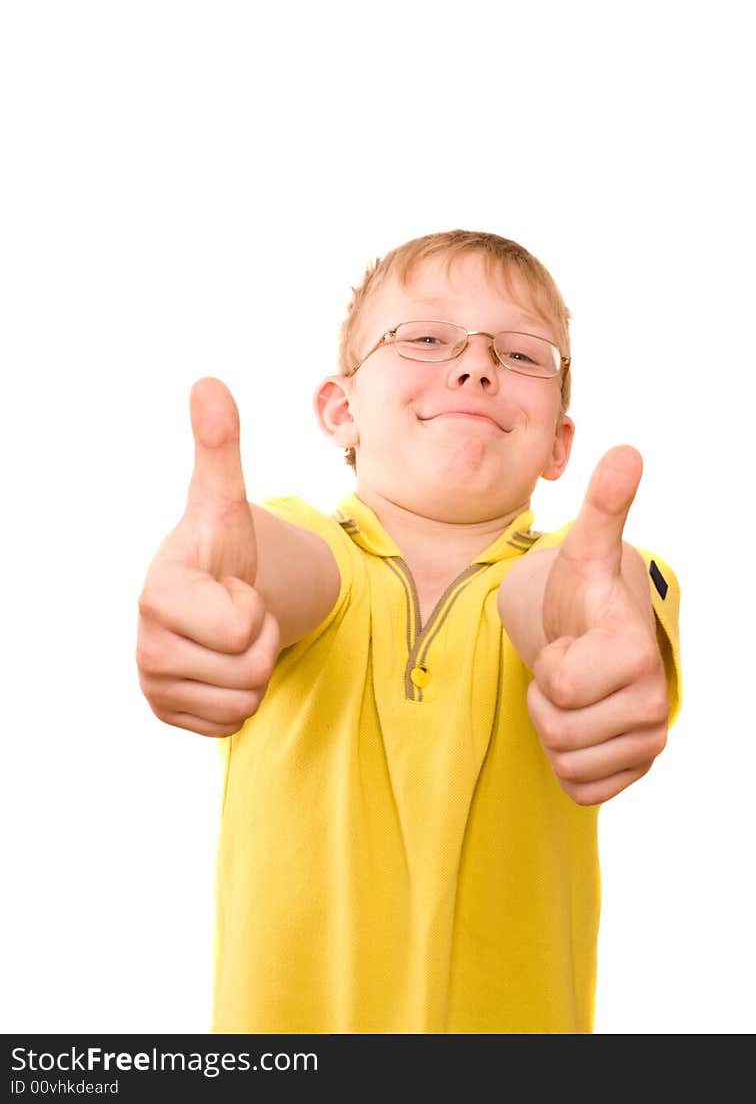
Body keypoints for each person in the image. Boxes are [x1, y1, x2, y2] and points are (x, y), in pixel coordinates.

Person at [136, 228, 681, 1035]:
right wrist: (211, 595)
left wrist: (605, 619)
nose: (475, 365)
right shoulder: (302, 550)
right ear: (340, 409)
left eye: (524, 356)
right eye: (426, 338)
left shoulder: (576, 573)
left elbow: (571, 599)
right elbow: (270, 567)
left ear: (559, 444)